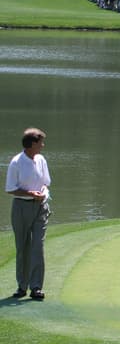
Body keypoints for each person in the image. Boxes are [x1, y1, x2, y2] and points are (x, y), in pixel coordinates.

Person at [6, 128, 51, 300]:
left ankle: (36, 287)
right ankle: (22, 286)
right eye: (40, 143)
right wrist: (31, 194)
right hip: (21, 208)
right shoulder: (16, 162)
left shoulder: (41, 159)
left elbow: (46, 183)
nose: (43, 146)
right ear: (32, 144)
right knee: (23, 247)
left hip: (40, 207)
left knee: (37, 247)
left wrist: (42, 194)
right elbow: (10, 189)